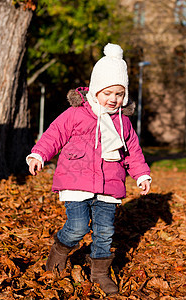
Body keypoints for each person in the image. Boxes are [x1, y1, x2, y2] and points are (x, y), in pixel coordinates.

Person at [26, 43, 151, 295]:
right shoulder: (76, 114)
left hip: (109, 185)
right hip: (76, 181)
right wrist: (39, 154)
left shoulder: (123, 123)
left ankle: (99, 273)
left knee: (105, 231)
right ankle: (59, 251)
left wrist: (141, 174)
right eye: (108, 93)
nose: (113, 99)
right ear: (95, 91)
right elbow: (55, 134)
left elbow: (132, 152)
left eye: (118, 94)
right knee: (78, 227)